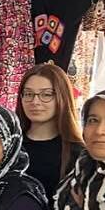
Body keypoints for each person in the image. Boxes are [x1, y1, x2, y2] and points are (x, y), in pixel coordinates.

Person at [15, 63, 83, 200]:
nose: (35, 101)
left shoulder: (78, 153)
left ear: (62, 97)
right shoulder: (9, 144)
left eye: (46, 95)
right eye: (28, 94)